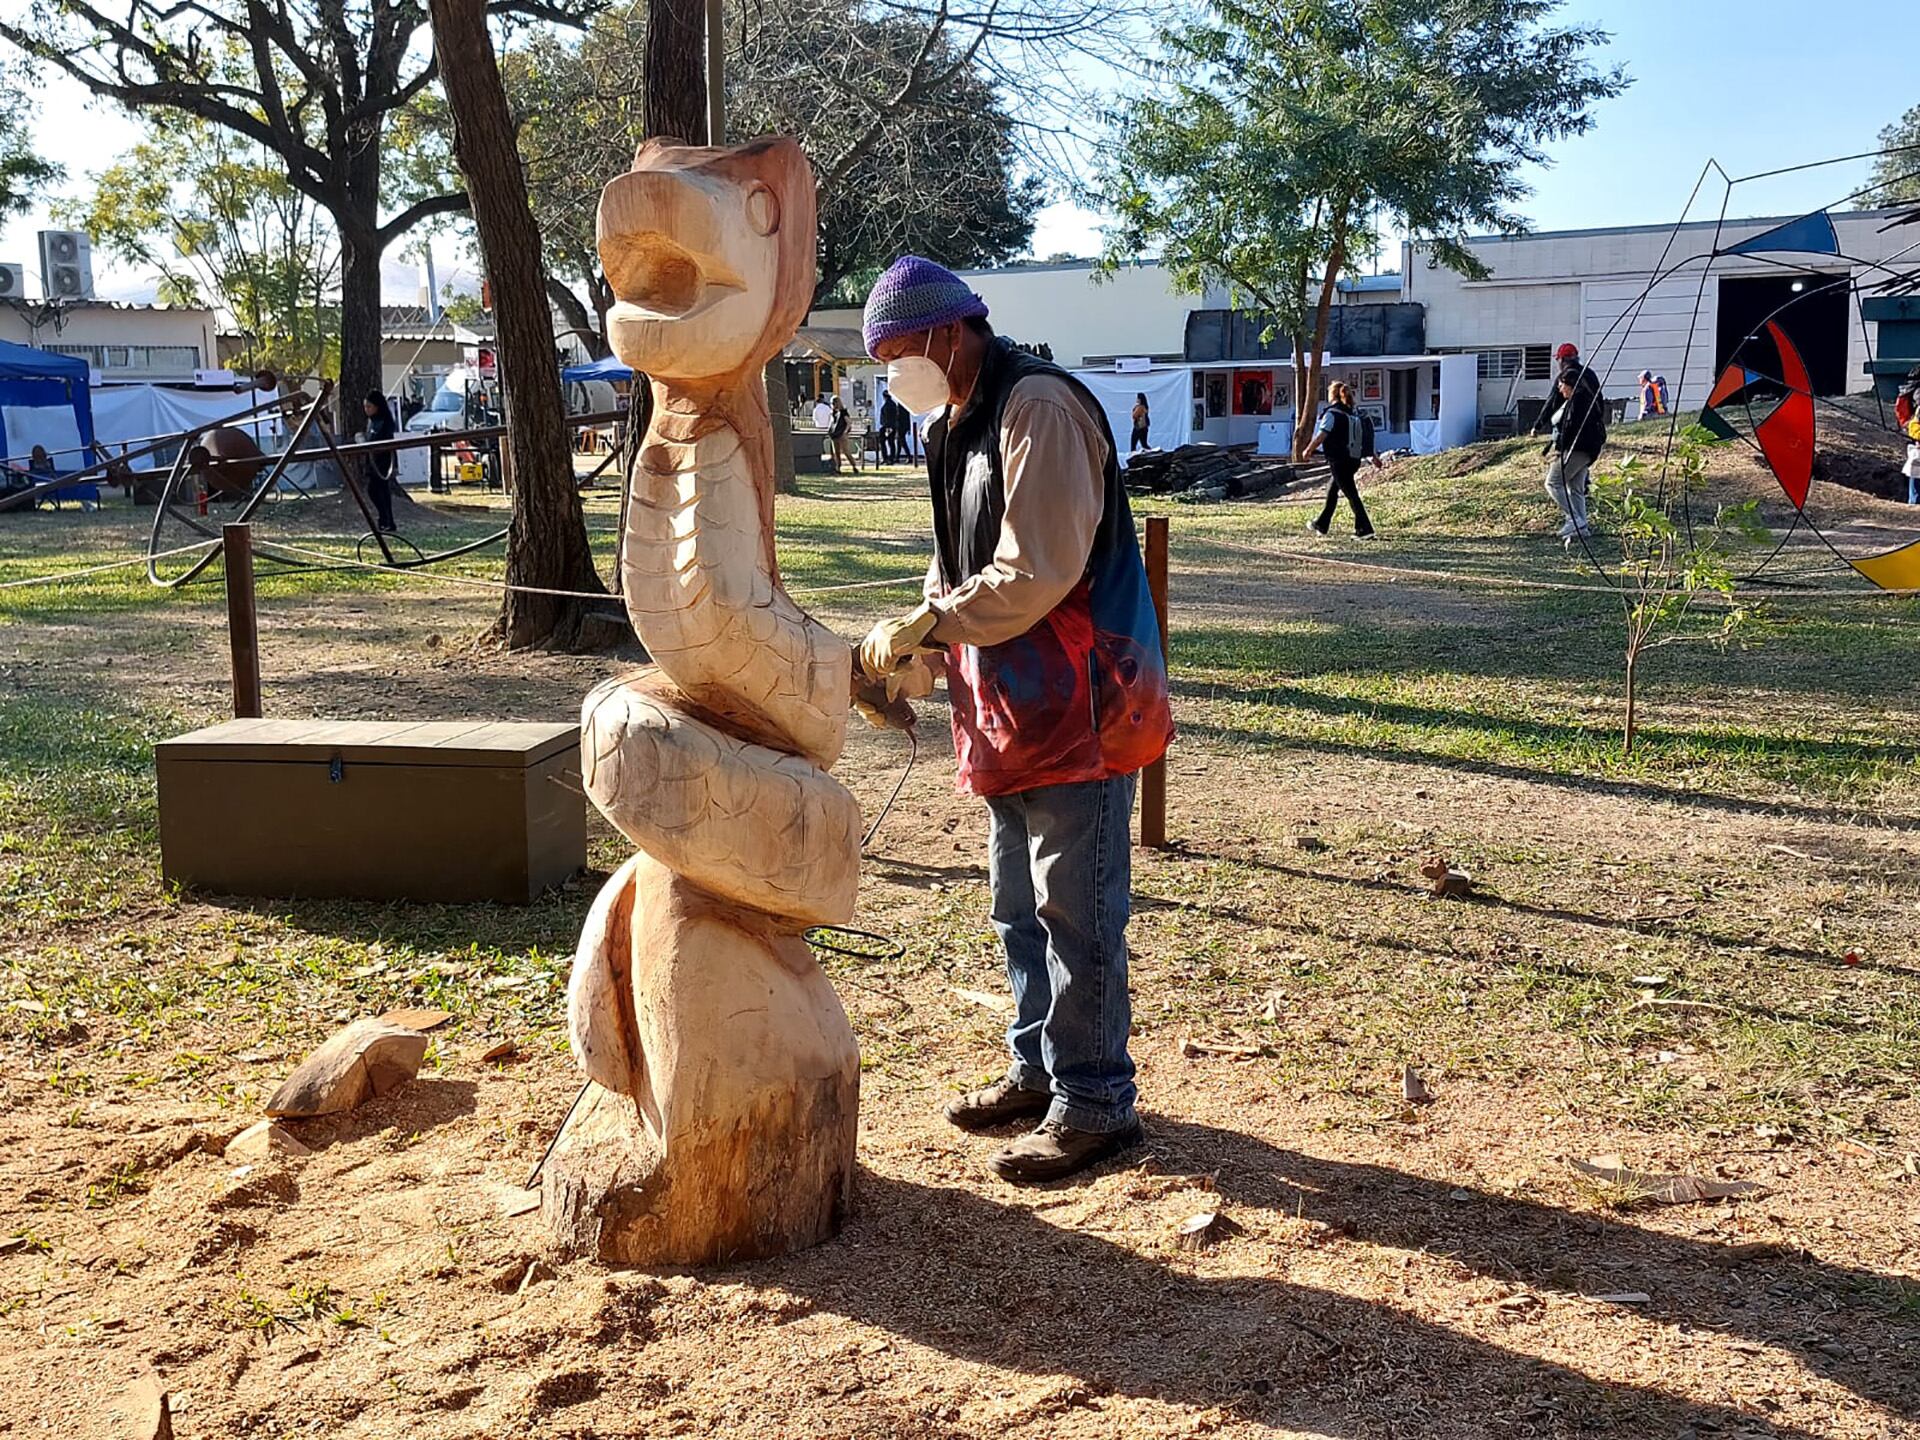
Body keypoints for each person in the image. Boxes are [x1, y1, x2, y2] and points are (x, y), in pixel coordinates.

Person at [856, 255, 1173, 1184]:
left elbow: (1037, 566)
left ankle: (1098, 1104)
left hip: (1083, 700)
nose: (892, 372)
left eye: (900, 351)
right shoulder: (952, 423)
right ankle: (1038, 1072)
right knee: (1017, 909)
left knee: (1078, 910)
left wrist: (936, 621)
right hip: (1008, 706)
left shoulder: (1037, 407)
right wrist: (922, 646)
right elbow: (957, 560)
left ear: (953, 333)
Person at [1301, 380, 1380, 538]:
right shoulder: (1353, 414)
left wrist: (1308, 449)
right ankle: (1322, 524)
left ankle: (1365, 529)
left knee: (1352, 494)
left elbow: (1322, 434)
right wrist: (1374, 456)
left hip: (1339, 460)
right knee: (1332, 490)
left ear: (1333, 394)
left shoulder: (1332, 414)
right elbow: (1365, 437)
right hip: (1354, 460)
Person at [1543, 363, 1606, 542]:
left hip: (1576, 449)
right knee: (1575, 489)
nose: (1559, 388)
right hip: (1588, 451)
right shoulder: (1585, 398)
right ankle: (1582, 527)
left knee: (1553, 483)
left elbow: (1571, 428)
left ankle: (1574, 519)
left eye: (1561, 384)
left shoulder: (1577, 402)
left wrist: (1559, 449)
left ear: (1569, 384)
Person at [362, 390, 399, 533]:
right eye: (365, 407)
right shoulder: (371, 421)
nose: (366, 410)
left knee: (376, 490)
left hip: (383, 461)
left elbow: (384, 442)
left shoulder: (385, 421)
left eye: (369, 406)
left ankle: (386, 520)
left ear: (377, 406)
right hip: (372, 461)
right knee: (380, 492)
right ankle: (387, 521)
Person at [828, 395, 860, 474]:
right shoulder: (833, 413)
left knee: (846, 451)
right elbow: (832, 423)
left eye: (833, 403)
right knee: (836, 452)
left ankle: (854, 466)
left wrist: (845, 431)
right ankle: (838, 467)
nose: (833, 405)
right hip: (834, 434)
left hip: (841, 434)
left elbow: (848, 422)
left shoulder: (843, 412)